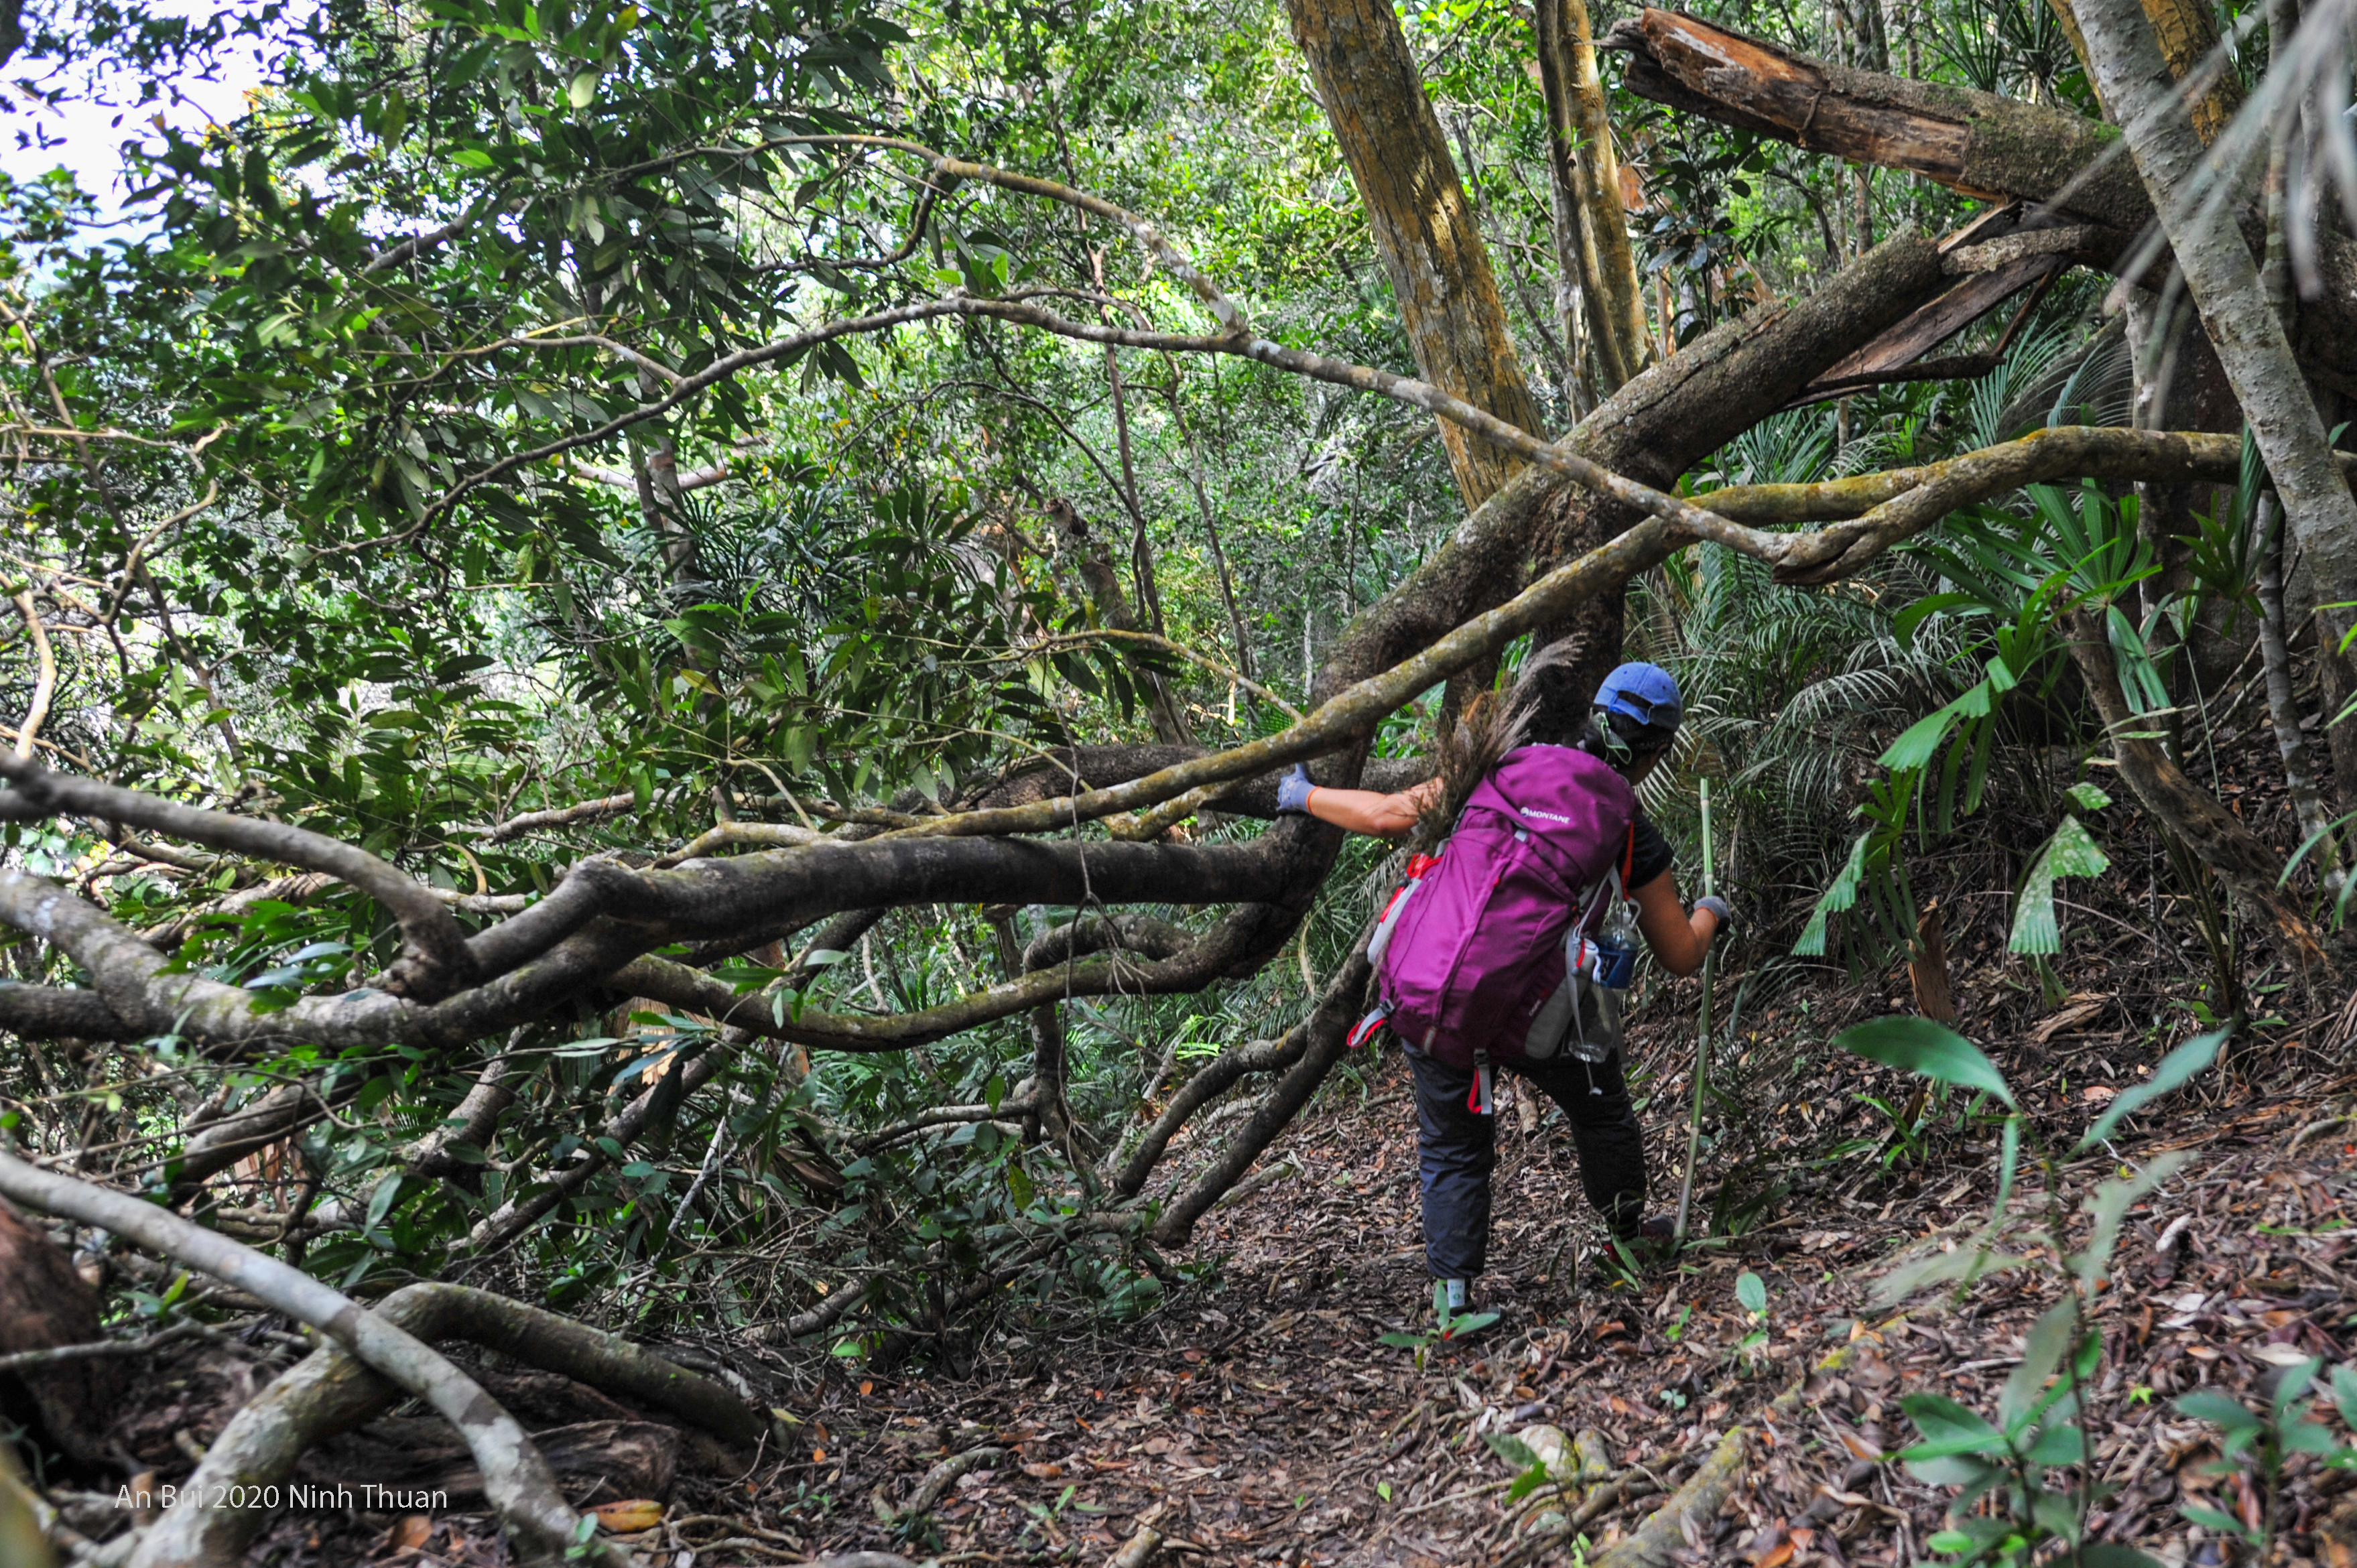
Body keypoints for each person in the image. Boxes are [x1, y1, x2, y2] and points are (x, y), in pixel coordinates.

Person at [1275, 657, 1729, 1321]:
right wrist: (1713, 911)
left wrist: (1301, 796)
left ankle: (1453, 1306)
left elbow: (1386, 816)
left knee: (1452, 1145)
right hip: (1537, 1009)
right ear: (1657, 752)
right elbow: (1681, 954)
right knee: (1600, 1107)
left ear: (1592, 716)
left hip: (1427, 991)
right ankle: (1628, 1239)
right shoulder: (1626, 824)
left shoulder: (1505, 766)